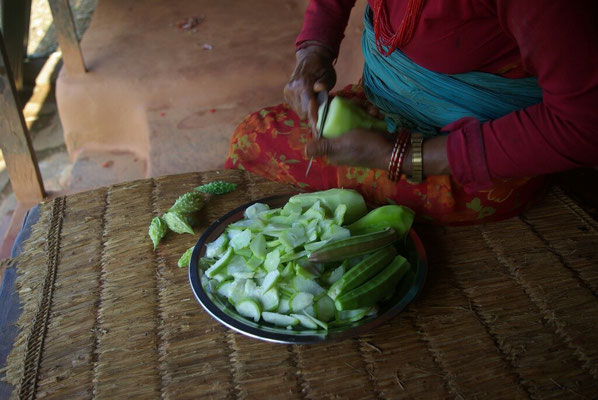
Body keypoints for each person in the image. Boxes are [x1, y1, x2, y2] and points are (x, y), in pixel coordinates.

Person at [225, 0, 598, 225]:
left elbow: (584, 125)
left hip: (479, 146)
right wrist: (314, 51)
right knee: (254, 134)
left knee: (255, 145)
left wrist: (399, 155)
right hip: (383, 100)